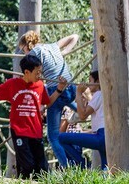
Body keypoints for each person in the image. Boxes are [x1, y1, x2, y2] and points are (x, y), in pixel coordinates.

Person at [15, 30, 81, 159]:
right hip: (71, 87)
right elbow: (75, 36)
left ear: (27, 46)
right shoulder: (53, 45)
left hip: (57, 92)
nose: (24, 54)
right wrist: (65, 51)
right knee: (66, 99)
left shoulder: (32, 55)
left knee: (53, 137)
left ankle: (67, 168)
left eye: (23, 50)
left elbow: (32, 78)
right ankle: (80, 112)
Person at [0, 53, 50, 178]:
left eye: (40, 72)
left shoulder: (40, 86)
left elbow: (46, 102)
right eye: (37, 72)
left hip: (36, 131)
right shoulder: (12, 84)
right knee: (27, 165)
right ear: (27, 72)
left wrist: (60, 89)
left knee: (42, 167)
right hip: (19, 130)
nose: (40, 75)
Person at [54, 70, 106, 170]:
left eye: (90, 80)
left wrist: (78, 92)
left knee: (61, 137)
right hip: (105, 135)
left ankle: (84, 165)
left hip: (101, 136)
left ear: (98, 81)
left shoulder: (99, 94)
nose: (88, 84)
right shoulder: (103, 95)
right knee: (105, 168)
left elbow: (82, 115)